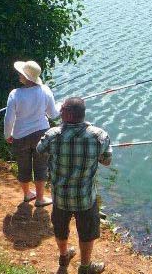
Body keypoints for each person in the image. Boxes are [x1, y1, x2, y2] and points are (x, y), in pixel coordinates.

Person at [37, 97, 112, 274]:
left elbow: (40, 150)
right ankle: (85, 267)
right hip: (85, 198)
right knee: (87, 232)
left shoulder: (52, 135)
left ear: (68, 114)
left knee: (60, 229)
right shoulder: (99, 136)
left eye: (62, 110)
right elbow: (107, 161)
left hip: (60, 197)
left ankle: (64, 257)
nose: (59, 112)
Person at [4, 60, 59, 206]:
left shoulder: (15, 94)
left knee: (23, 165)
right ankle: (40, 199)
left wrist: (7, 135)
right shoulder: (45, 90)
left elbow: (9, 119)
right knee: (41, 166)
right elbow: (53, 114)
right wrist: (61, 105)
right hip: (41, 134)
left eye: (21, 73)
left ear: (25, 76)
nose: (19, 75)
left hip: (20, 136)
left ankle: (27, 194)